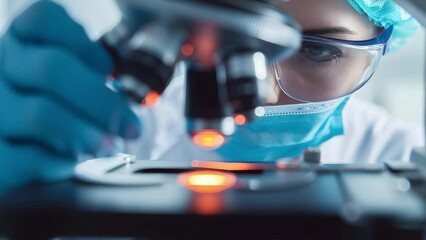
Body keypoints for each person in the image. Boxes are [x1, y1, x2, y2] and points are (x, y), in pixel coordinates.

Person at [0, 0, 422, 194]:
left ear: (381, 44)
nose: (263, 96)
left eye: (318, 50)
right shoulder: (110, 134)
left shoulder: (402, 158)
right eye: (237, 47)